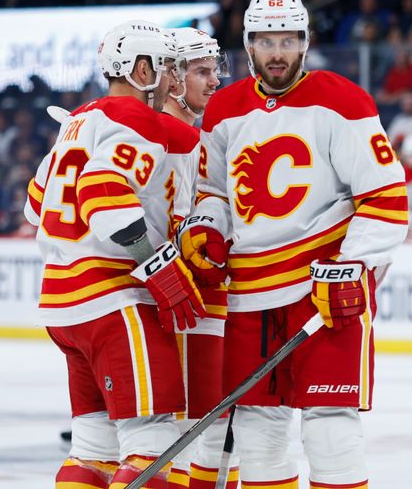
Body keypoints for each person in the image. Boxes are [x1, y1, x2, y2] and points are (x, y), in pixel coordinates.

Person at [178, 0, 408, 489]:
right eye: (265, 40)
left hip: (322, 288)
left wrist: (356, 265)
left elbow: (386, 196)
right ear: (248, 44)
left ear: (305, 42)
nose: (276, 52)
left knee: (329, 420)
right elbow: (214, 191)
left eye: (287, 40)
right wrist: (206, 229)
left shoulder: (343, 99)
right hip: (249, 295)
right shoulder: (223, 109)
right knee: (260, 426)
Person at [23, 20, 206, 489]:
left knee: (92, 448)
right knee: (153, 443)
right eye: (167, 68)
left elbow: (34, 204)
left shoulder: (79, 120)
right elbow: (103, 191)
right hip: (114, 300)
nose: (174, 80)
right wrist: (158, 263)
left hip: (63, 304)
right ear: (142, 69)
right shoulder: (137, 118)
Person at [159, 27, 237, 489]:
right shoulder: (167, 137)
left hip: (208, 296)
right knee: (189, 429)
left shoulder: (205, 133)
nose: (214, 82)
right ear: (171, 78)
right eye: (202, 71)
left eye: (216, 72)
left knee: (220, 426)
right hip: (183, 301)